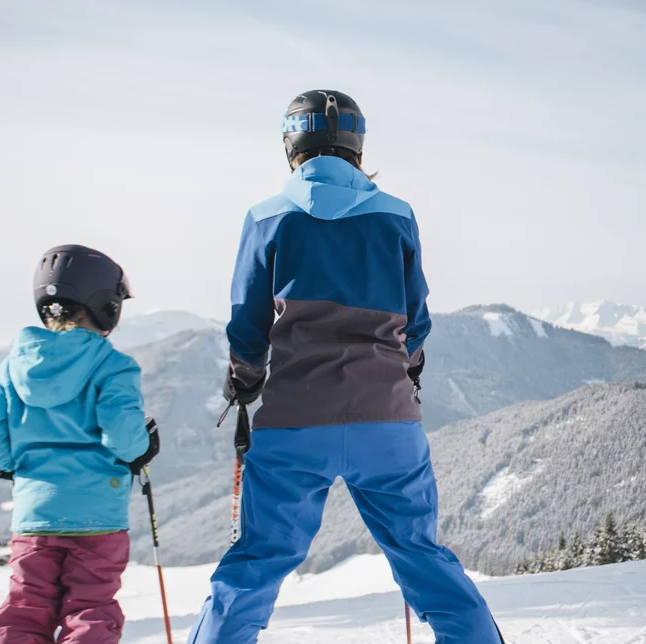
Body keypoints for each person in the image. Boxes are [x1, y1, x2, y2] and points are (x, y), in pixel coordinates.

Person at [189, 90, 500, 643]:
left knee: (256, 563)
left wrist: (245, 381)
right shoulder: (396, 215)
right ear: (356, 145)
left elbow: (247, 323)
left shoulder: (266, 218)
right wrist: (406, 370)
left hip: (294, 422)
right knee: (422, 557)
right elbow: (415, 321)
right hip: (387, 421)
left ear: (292, 144)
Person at [0, 245, 160, 644]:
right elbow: (124, 436)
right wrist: (142, 448)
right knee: (90, 608)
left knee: (24, 607)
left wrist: (17, 463)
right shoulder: (114, 365)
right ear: (107, 304)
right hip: (98, 516)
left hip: (34, 514)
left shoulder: (12, 366)